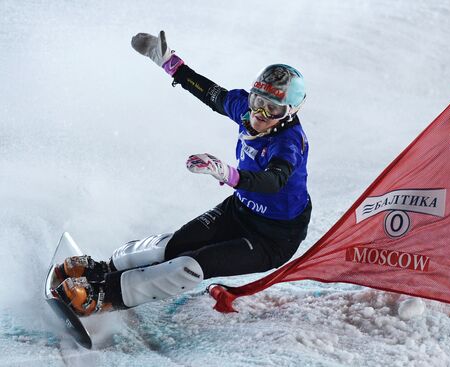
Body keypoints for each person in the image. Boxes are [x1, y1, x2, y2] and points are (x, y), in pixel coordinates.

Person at [53, 31, 312, 316]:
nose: (259, 113)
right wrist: (171, 64)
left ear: (289, 113)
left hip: (273, 239)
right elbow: (211, 93)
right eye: (256, 101)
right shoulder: (245, 112)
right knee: (172, 245)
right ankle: (104, 271)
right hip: (240, 211)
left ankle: (104, 295)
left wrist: (228, 173)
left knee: (189, 265)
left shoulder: (288, 142)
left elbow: (273, 182)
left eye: (272, 108)